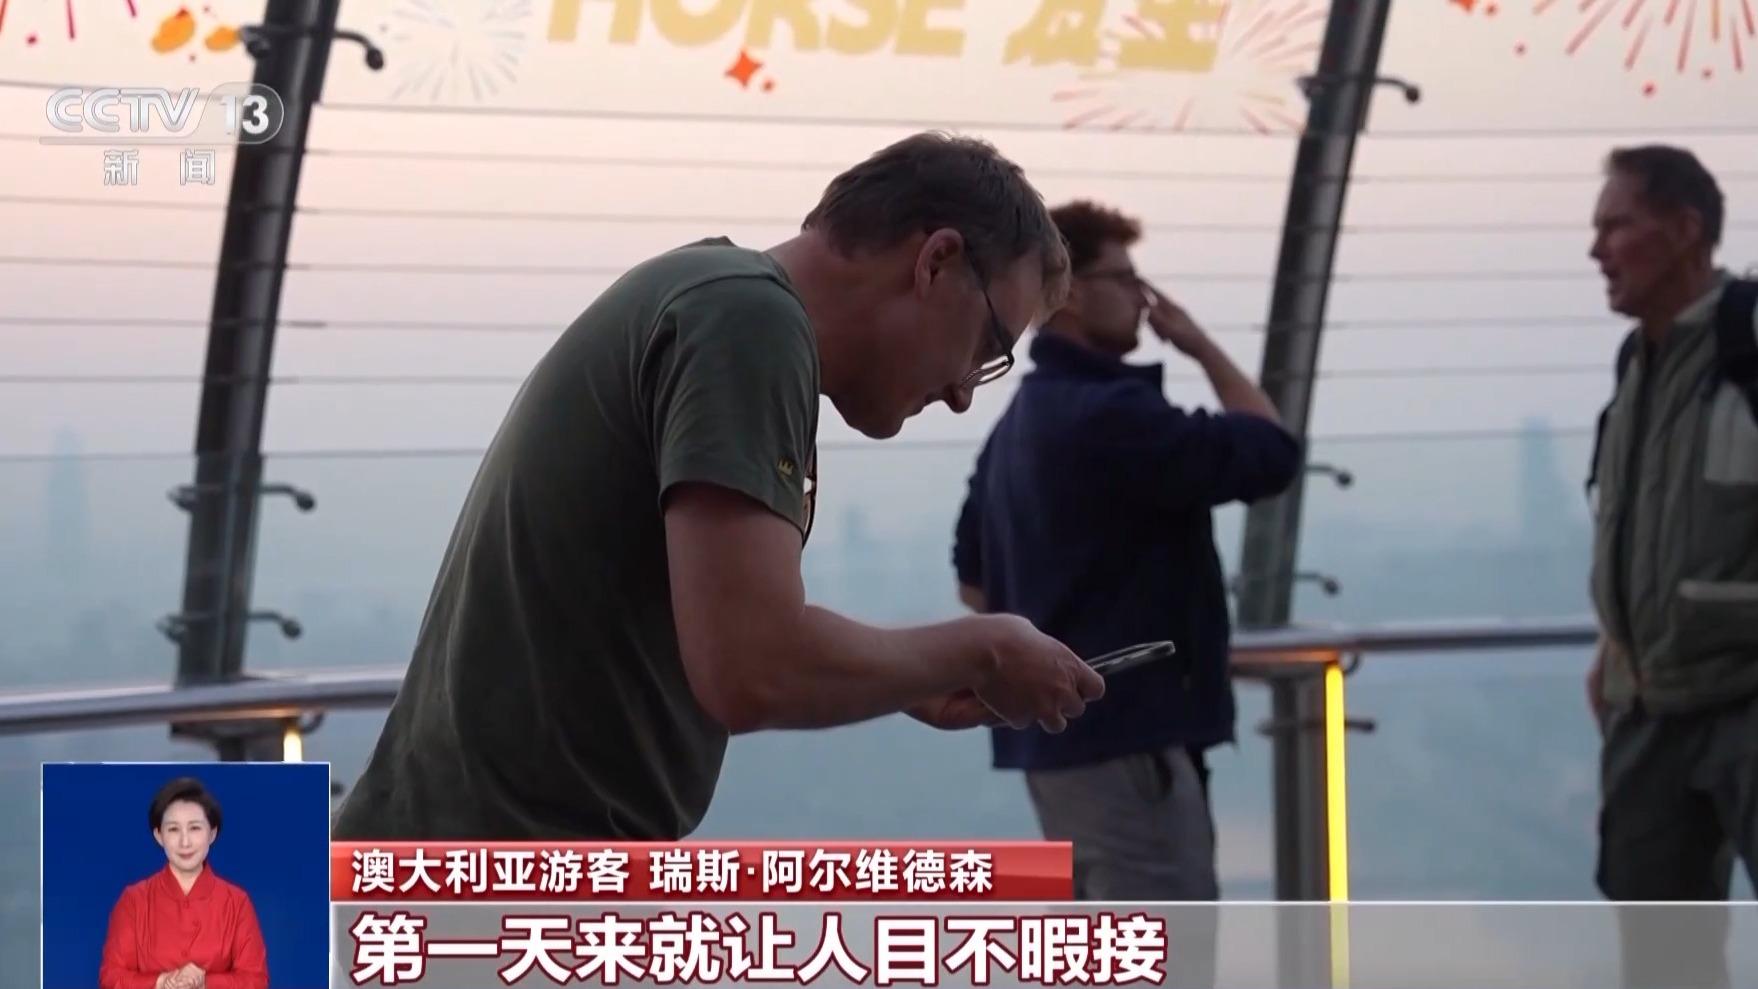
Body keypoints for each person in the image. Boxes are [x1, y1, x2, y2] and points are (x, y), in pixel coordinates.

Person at [331, 132, 1106, 841]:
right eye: (989, 347)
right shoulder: (748, 322)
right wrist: (981, 649)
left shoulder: (713, 296)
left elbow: (728, 623)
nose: (965, 392)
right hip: (496, 876)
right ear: (935, 261)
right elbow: (751, 667)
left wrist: (915, 672)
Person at [951, 199, 1301, 900]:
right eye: (1126, 278)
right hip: (1130, 746)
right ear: (1074, 291)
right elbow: (1272, 453)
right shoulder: (1113, 415)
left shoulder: (1019, 422)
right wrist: (1200, 344)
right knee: (1165, 945)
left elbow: (973, 582)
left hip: (1059, 751)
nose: (1145, 300)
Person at [1584, 145, 1758, 986]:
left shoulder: (1746, 349)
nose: (1597, 250)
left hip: (1747, 694)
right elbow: (1645, 526)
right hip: (1648, 711)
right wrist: (1614, 645)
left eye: (1617, 225)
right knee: (1661, 959)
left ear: (1686, 229)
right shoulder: (1635, 368)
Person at [99, 777, 268, 989]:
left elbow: (255, 980)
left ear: (212, 833)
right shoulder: (133, 900)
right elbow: (111, 977)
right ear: (159, 835)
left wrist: (206, 982)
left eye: (195, 828)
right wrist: (160, 982)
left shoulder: (237, 902)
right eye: (173, 829)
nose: (185, 842)